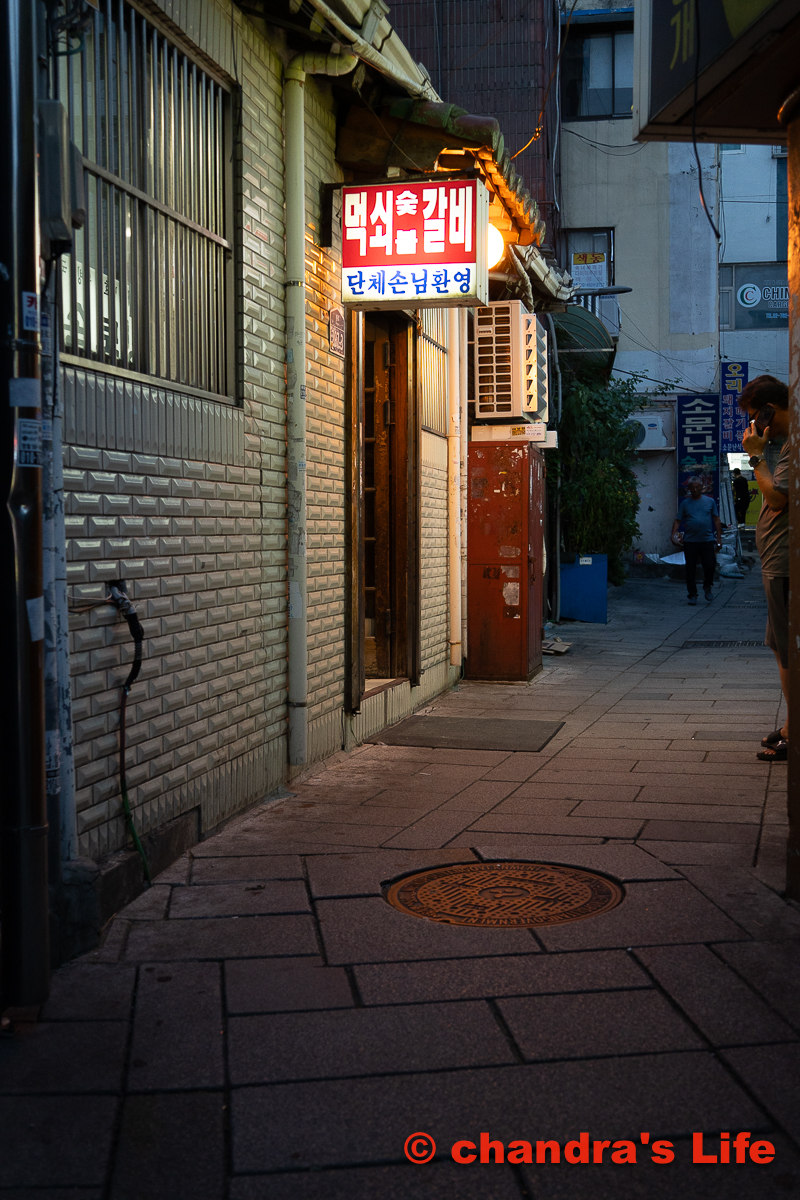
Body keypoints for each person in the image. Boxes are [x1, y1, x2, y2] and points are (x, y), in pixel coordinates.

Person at [740, 374, 790, 762]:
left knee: (788, 650)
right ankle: (792, 725)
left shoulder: (790, 446)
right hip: (778, 559)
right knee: (780, 646)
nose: (756, 425)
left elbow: (775, 499)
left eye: (758, 416)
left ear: (771, 410)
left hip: (785, 561)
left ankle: (795, 732)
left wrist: (756, 455)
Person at [671, 478, 723, 605]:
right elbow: (678, 520)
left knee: (710, 565)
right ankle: (692, 594)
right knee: (690, 569)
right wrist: (673, 535)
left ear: (702, 487)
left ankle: (707, 585)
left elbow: (716, 520)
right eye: (692, 487)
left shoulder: (709, 502)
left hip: (707, 540)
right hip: (690, 541)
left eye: (697, 487)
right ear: (689, 489)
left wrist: (719, 539)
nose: (695, 490)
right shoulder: (685, 504)